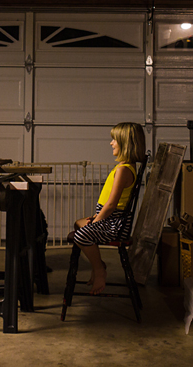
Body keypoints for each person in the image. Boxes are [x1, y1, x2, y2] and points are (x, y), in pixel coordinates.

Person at [68, 122, 146, 295]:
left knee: (81, 234)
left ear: (126, 143)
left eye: (114, 140)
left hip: (115, 224)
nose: (111, 143)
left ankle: (99, 269)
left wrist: (96, 221)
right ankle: (99, 264)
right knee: (78, 224)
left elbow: (111, 205)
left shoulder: (124, 170)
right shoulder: (123, 167)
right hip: (109, 218)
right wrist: (95, 217)